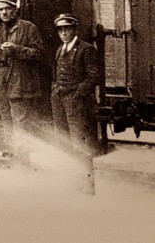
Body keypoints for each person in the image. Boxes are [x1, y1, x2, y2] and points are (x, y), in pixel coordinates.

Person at [51, 13, 101, 194]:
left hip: (77, 103)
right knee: (63, 141)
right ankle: (70, 183)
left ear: (74, 30)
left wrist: (78, 94)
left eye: (67, 29)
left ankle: (86, 187)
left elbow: (94, 76)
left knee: (80, 143)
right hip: (60, 101)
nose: (64, 33)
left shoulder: (85, 49)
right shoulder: (60, 49)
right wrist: (55, 91)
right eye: (61, 30)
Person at [0, 0, 43, 167]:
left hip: (19, 82)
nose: (4, 13)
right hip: (1, 82)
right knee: (7, 124)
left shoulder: (28, 28)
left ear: (15, 10)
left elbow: (38, 54)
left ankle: (23, 164)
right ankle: (14, 161)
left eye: (7, 9)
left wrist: (16, 49)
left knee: (20, 125)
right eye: (0, 9)